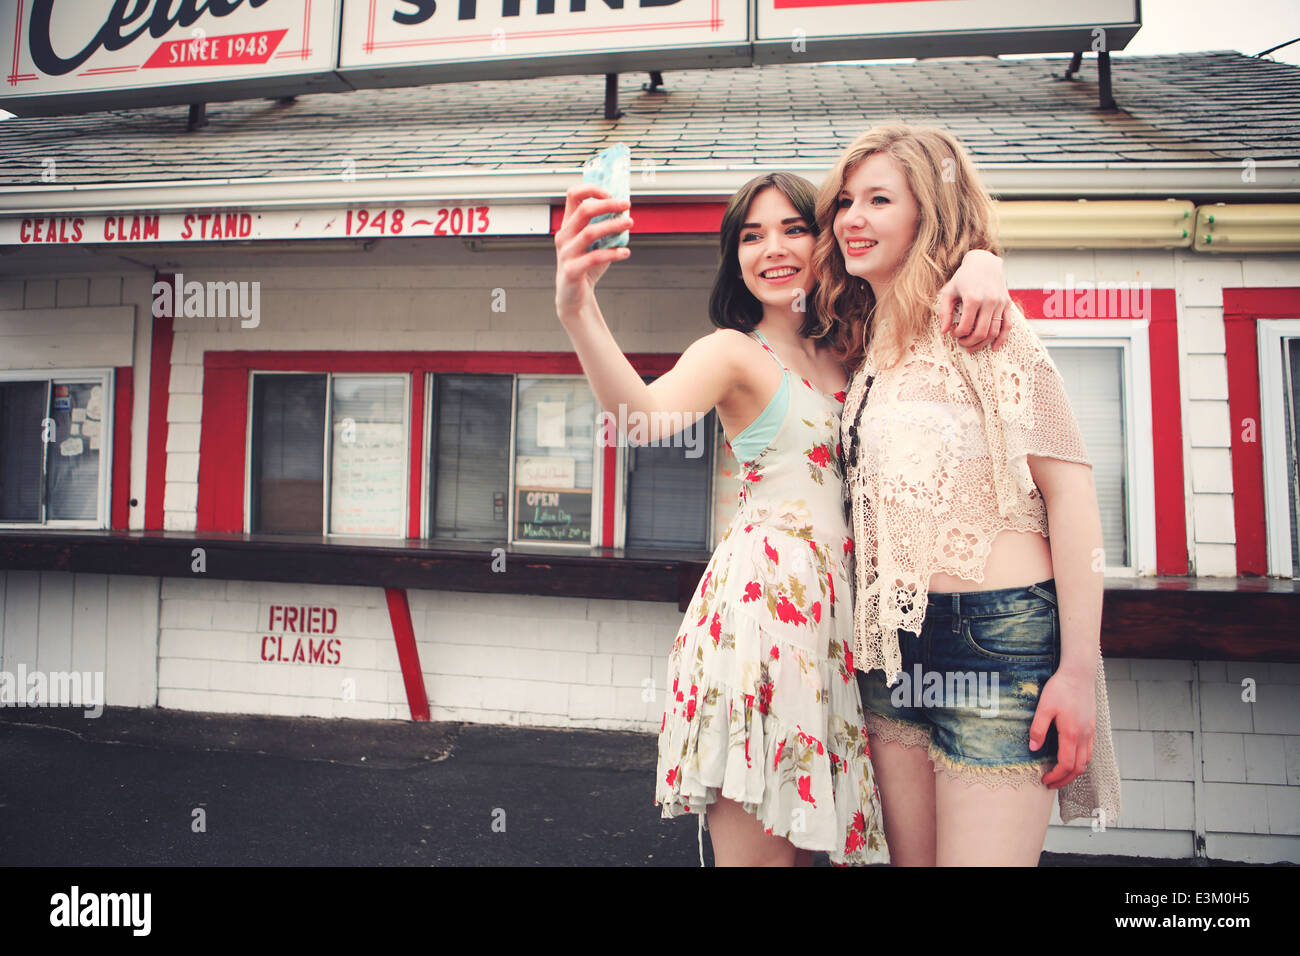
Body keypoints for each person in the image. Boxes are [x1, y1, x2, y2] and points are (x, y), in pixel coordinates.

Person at [553, 172, 1009, 866]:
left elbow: (934, 255)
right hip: (762, 620)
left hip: (845, 629)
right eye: (751, 234)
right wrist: (578, 307)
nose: (773, 248)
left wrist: (982, 259)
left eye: (793, 228)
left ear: (825, 237)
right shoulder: (733, 351)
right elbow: (642, 419)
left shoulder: (859, 346)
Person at [818, 124, 1123, 866]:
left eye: (879, 199)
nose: (852, 218)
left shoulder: (984, 322)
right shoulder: (870, 344)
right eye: (845, 201)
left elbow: (1072, 495)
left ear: (929, 211)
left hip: (997, 636)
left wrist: (1078, 671)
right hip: (889, 645)